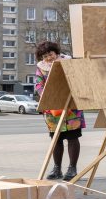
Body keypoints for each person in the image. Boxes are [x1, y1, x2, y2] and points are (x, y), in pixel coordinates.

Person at [35, 41, 84, 180]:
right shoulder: (41, 68)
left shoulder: (68, 62)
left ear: (55, 52)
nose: (49, 57)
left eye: (50, 54)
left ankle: (72, 169)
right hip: (52, 108)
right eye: (45, 56)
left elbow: (78, 79)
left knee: (72, 137)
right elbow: (38, 85)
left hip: (71, 107)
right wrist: (47, 96)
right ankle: (57, 169)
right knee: (56, 138)